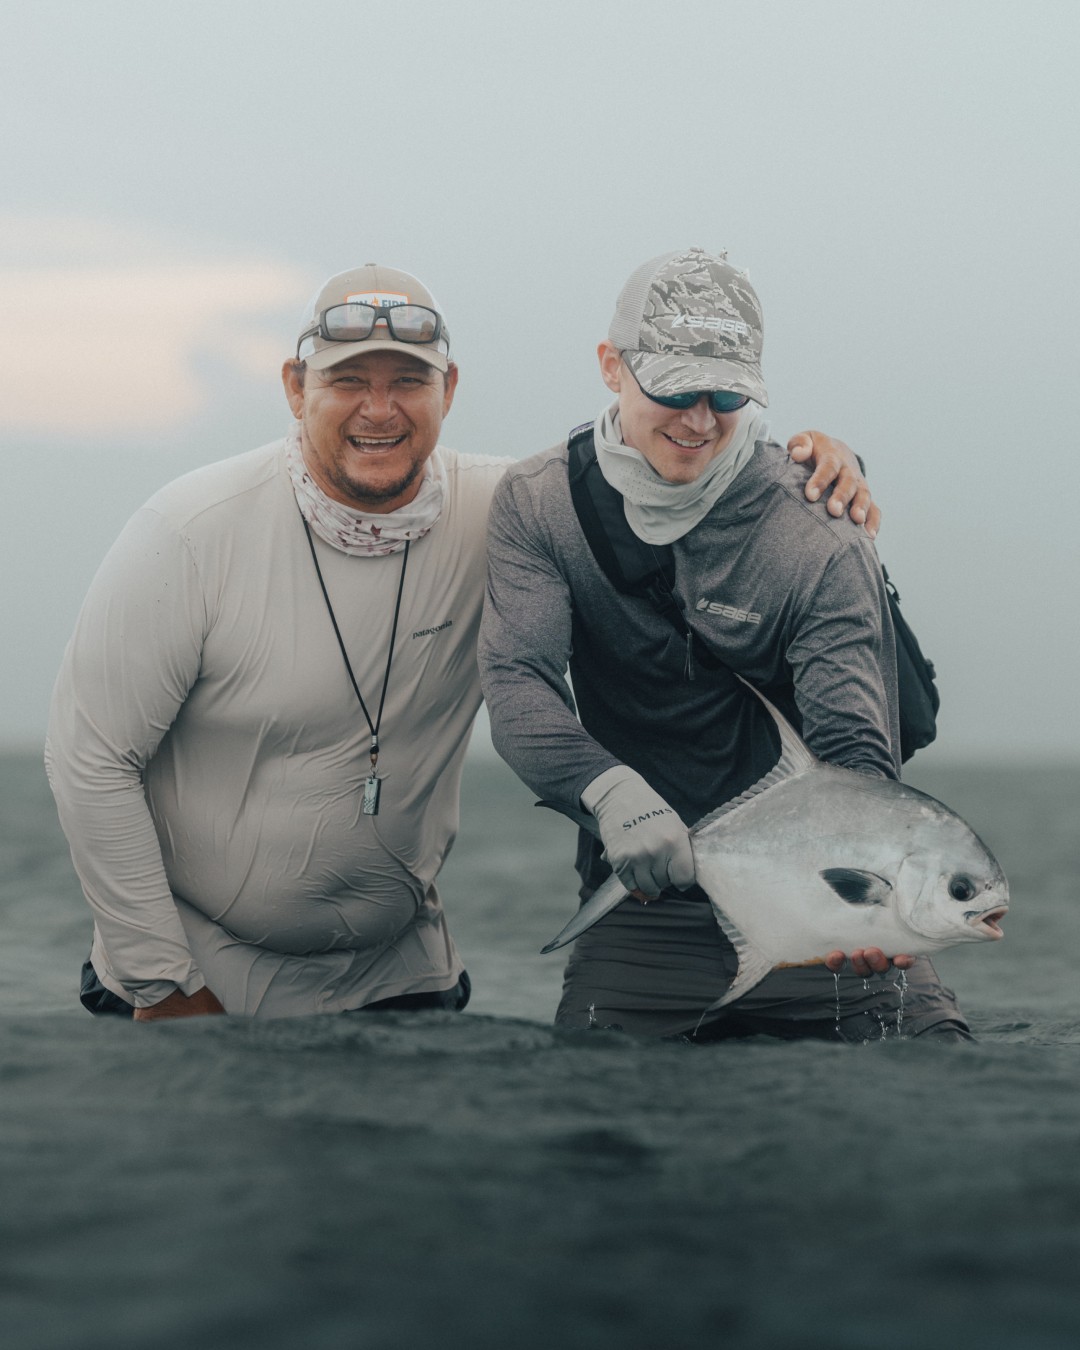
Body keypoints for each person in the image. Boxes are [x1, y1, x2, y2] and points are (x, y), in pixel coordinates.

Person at [46, 261, 880, 1023]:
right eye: (348, 382)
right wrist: (163, 984)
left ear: (448, 387)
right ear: (296, 389)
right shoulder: (187, 532)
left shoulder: (505, 508)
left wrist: (817, 466)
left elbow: (655, 473)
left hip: (402, 980)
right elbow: (89, 757)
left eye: (408, 381)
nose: (380, 409)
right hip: (197, 980)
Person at [478, 246, 970, 1041]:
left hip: (819, 912)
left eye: (727, 392)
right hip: (647, 905)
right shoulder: (539, 506)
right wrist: (608, 793)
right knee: (592, 1136)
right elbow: (517, 682)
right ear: (611, 366)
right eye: (674, 387)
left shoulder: (819, 532)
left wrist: (862, 882)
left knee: (930, 1103)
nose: (700, 419)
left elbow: (852, 747)